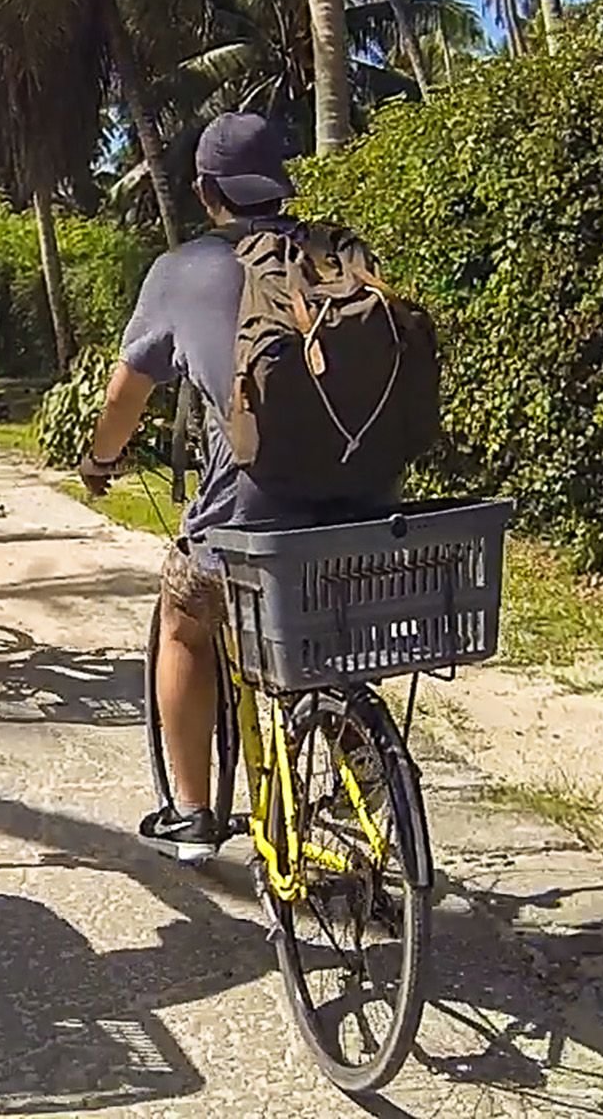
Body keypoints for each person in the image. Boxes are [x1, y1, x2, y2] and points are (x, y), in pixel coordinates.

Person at [77, 113, 398, 862]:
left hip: (250, 515)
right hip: (368, 504)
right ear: (280, 181)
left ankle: (191, 813)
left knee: (186, 616)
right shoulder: (341, 251)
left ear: (205, 190)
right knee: (329, 640)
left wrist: (98, 462)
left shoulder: (183, 270)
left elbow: (127, 393)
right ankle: (371, 793)